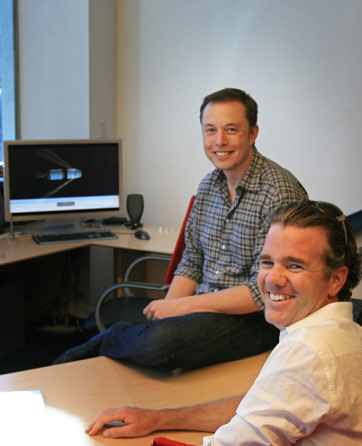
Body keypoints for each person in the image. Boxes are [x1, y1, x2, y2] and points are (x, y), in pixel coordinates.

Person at [15, 200, 362, 446]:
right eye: (267, 262)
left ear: (336, 279)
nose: (273, 278)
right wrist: (160, 419)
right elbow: (258, 407)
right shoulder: (343, 332)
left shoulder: (307, 353)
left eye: (294, 265)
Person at [54, 88, 307, 370]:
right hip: (206, 310)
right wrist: (166, 311)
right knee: (158, 337)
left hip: (258, 318)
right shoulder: (209, 186)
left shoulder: (278, 192)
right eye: (210, 130)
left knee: (160, 345)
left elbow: (266, 289)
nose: (219, 141)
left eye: (231, 129)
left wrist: (182, 307)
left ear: (252, 133)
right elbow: (193, 262)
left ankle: (106, 341)